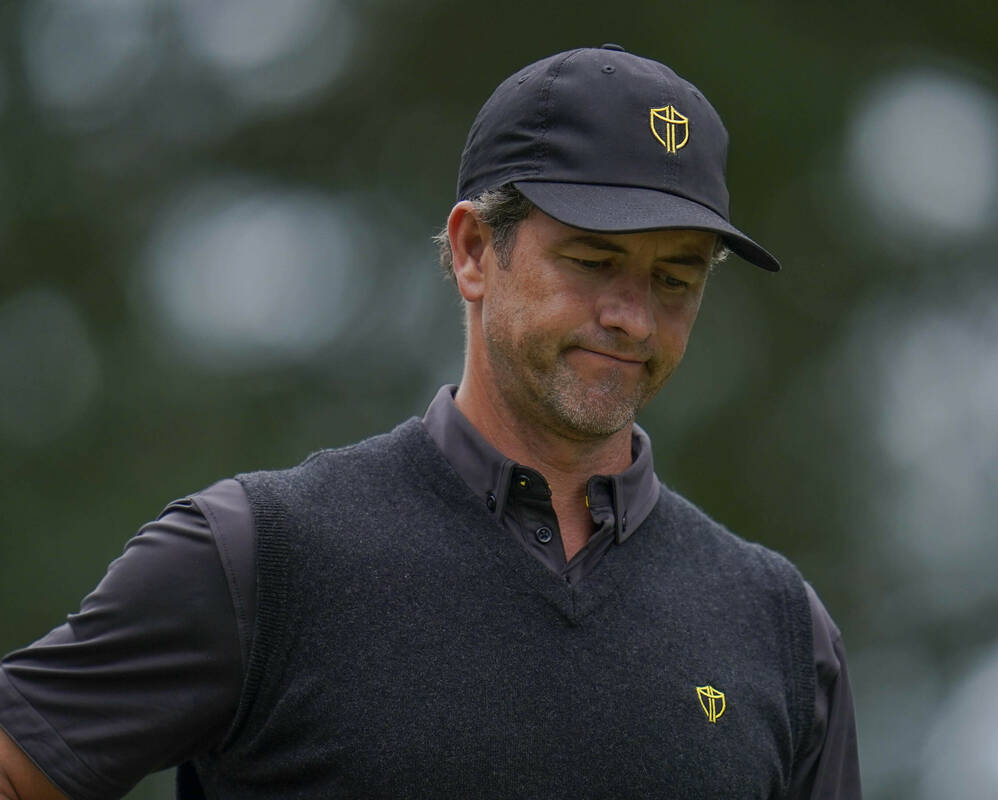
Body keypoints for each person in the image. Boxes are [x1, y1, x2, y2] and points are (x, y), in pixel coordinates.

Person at [0, 45, 860, 799]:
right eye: (594, 262)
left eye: (675, 279)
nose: (634, 317)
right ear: (474, 251)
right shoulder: (260, 559)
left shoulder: (781, 630)